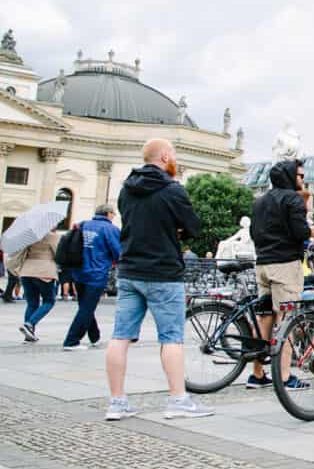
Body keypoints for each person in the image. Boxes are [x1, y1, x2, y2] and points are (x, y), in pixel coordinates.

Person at [106, 138, 212, 420]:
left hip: (129, 269)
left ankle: (116, 402)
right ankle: (177, 399)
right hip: (163, 271)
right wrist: (176, 230)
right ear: (165, 156)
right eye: (174, 154)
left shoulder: (126, 190)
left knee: (120, 337)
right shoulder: (172, 190)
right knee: (171, 338)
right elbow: (193, 227)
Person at [248, 159, 312, 390]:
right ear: (289, 176)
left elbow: (253, 232)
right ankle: (285, 377)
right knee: (288, 320)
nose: (303, 180)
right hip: (285, 264)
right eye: (300, 176)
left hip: (262, 264)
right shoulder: (293, 199)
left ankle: (257, 374)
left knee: (264, 317)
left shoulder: (260, 201)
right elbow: (300, 231)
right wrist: (310, 231)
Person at [63, 204, 121, 350]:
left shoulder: (82, 225)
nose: (114, 216)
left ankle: (94, 336)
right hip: (96, 273)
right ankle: (71, 341)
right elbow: (118, 252)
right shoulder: (110, 229)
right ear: (108, 213)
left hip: (78, 271)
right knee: (87, 307)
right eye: (113, 213)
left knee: (85, 305)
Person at [16, 227, 59, 342]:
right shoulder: (52, 236)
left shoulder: (30, 235)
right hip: (44, 271)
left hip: (27, 270)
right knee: (49, 300)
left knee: (32, 303)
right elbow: (57, 254)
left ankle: (29, 334)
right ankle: (29, 324)